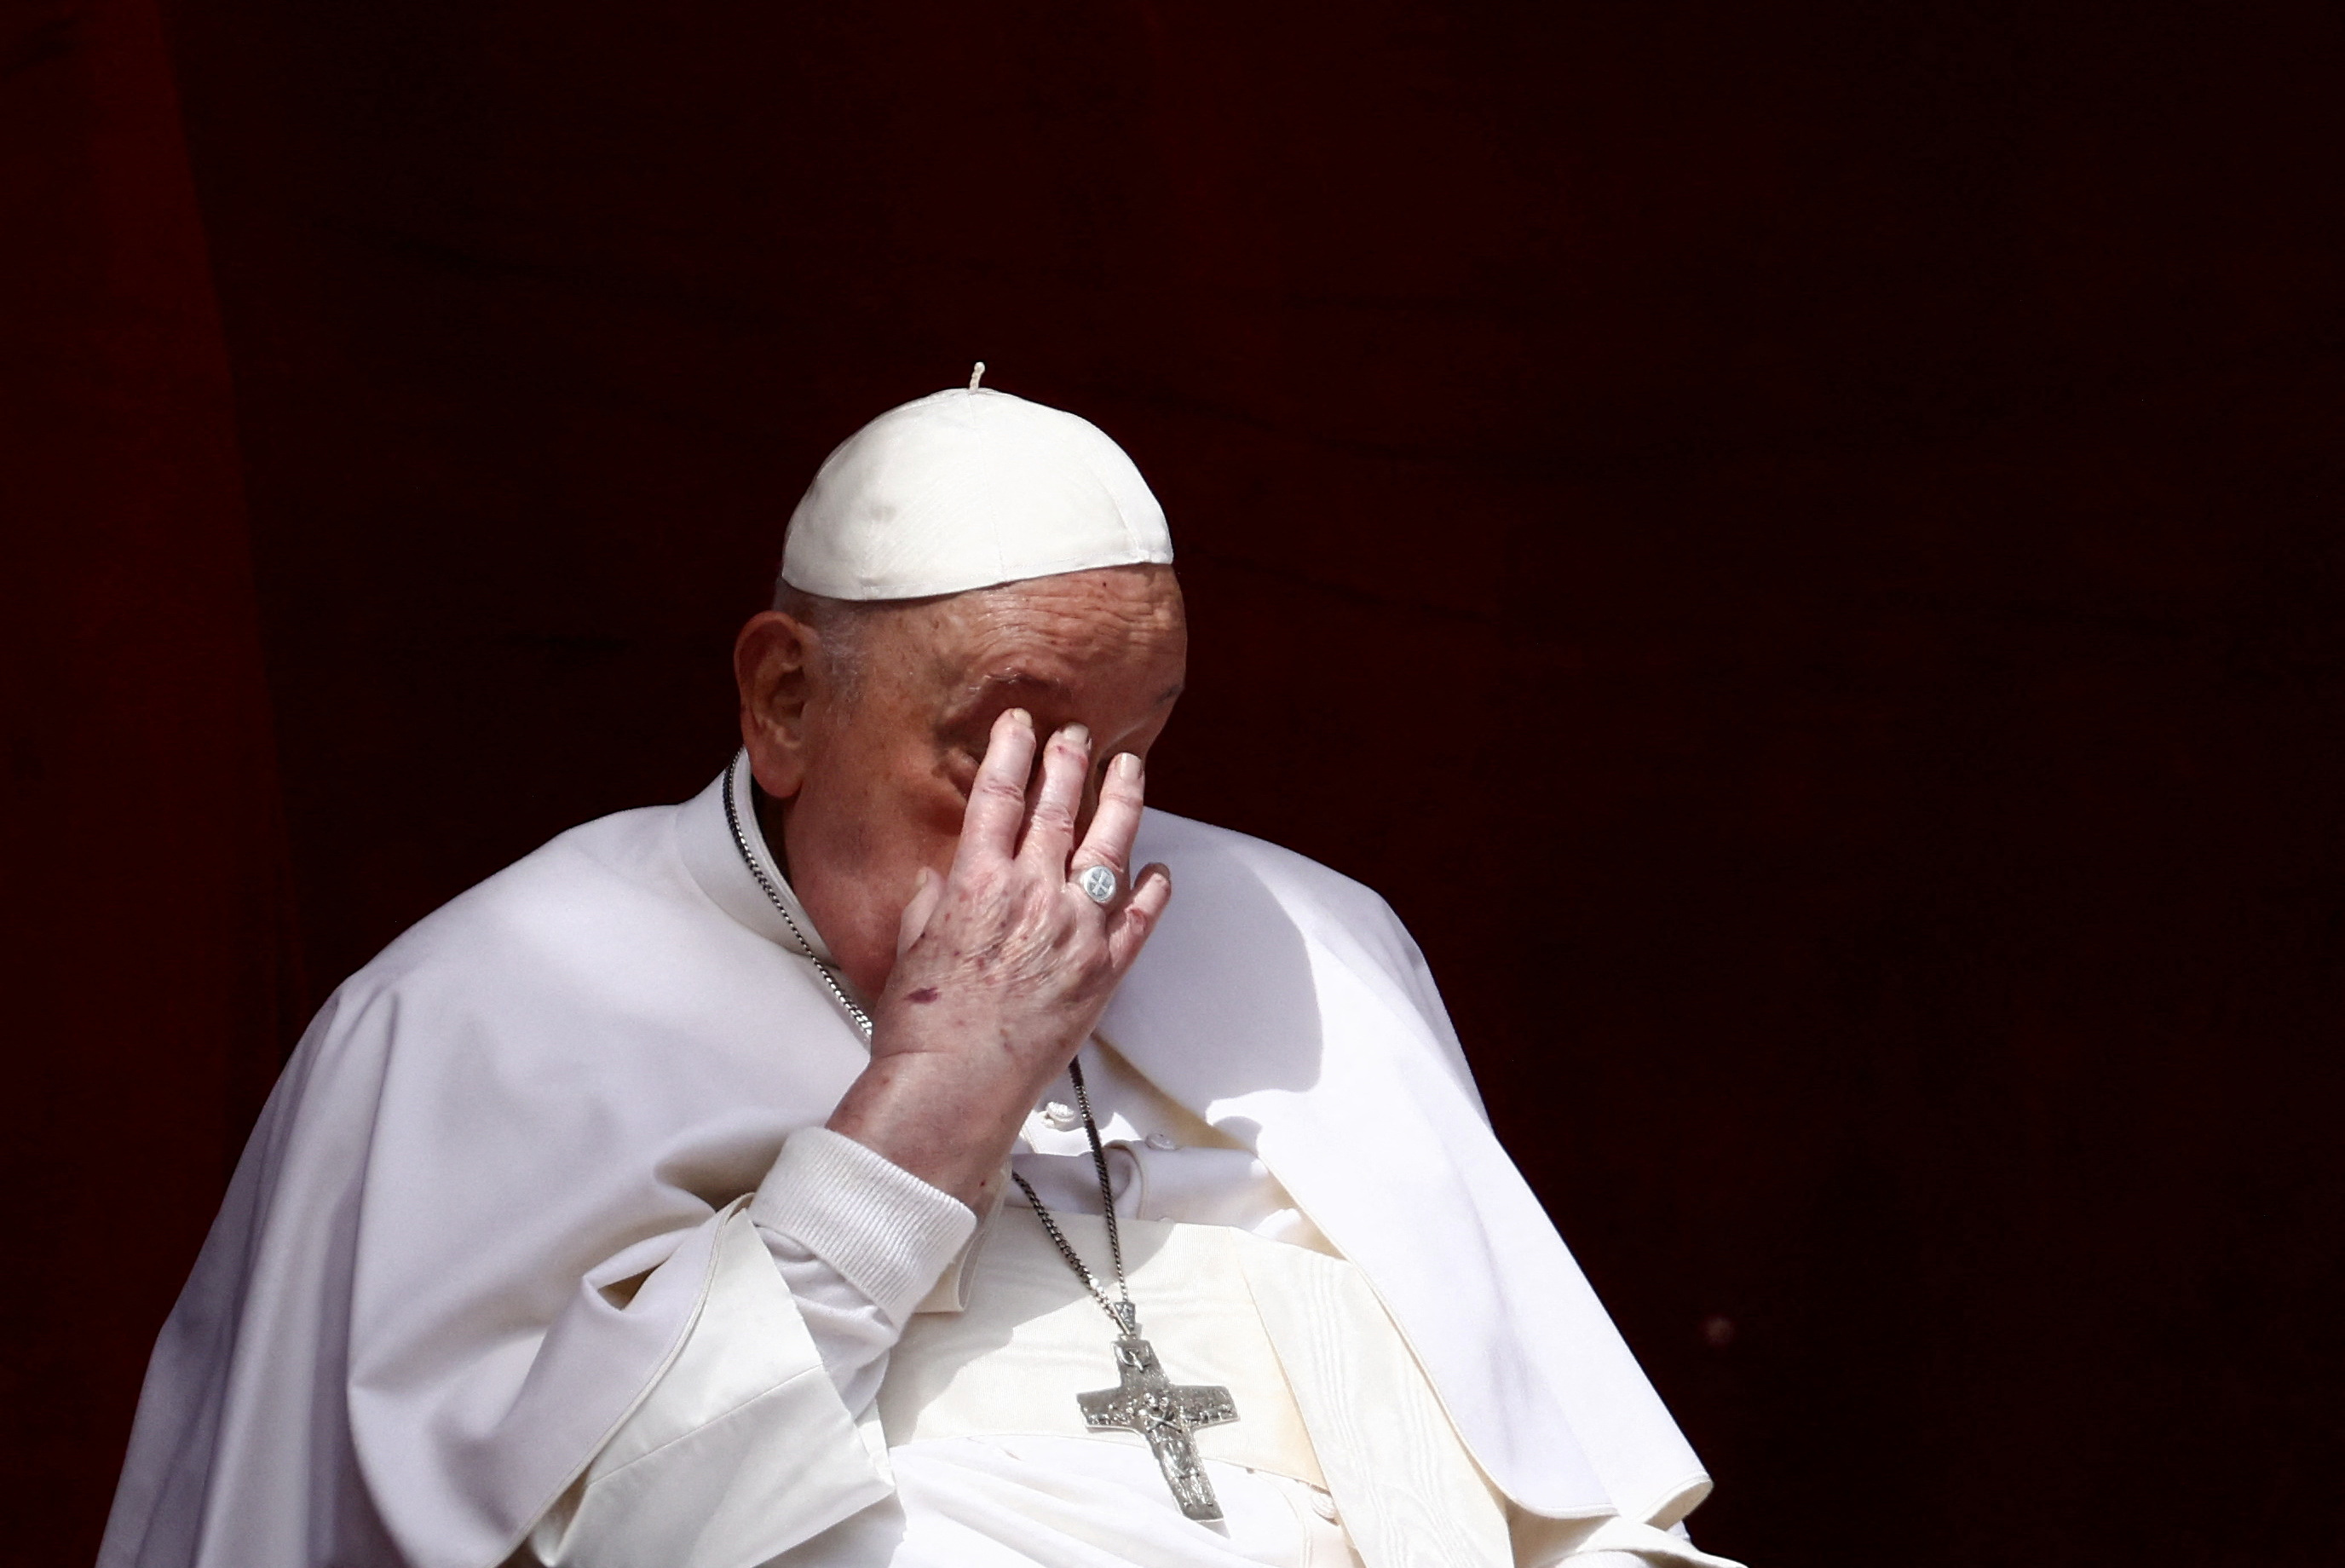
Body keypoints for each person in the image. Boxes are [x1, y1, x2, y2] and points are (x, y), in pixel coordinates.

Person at [100, 372, 1742, 1568]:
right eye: (998, 753)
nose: (1073, 845)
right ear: (787, 702)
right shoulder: (478, 1017)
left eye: (1135, 748)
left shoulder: (1313, 943)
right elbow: (584, 1539)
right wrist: (930, 1107)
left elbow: (1571, 1500)